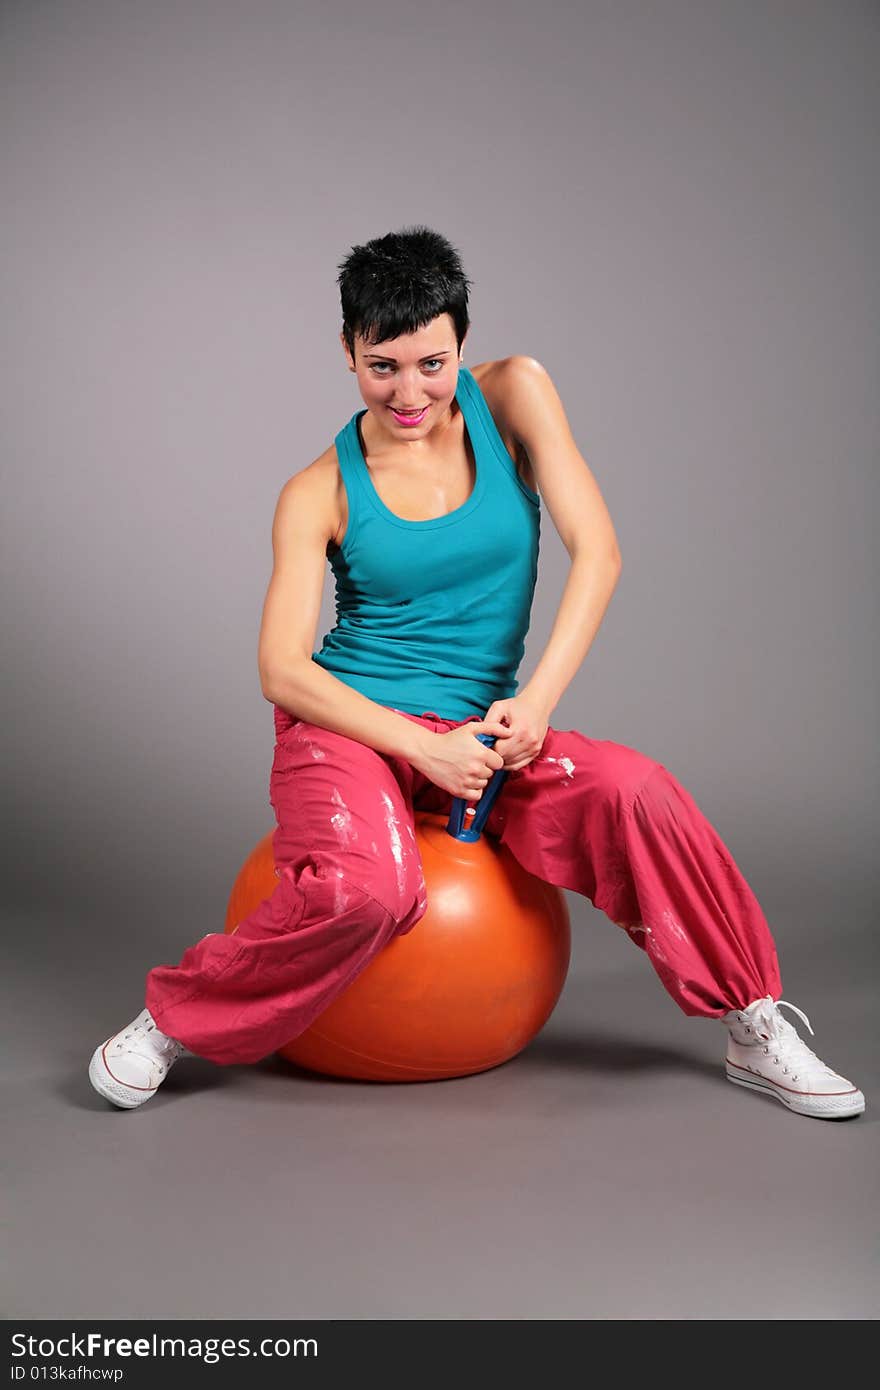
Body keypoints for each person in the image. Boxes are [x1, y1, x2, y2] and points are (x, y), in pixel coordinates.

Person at [88, 225, 864, 1120]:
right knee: (370, 888)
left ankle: (751, 1023)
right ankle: (169, 1021)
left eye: (432, 363)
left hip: (487, 732)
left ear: (462, 343)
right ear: (346, 353)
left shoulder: (515, 395)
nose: (409, 391)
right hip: (347, 727)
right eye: (382, 366)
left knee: (636, 792)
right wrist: (425, 755)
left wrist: (534, 704)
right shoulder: (317, 490)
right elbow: (281, 669)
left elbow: (598, 551)